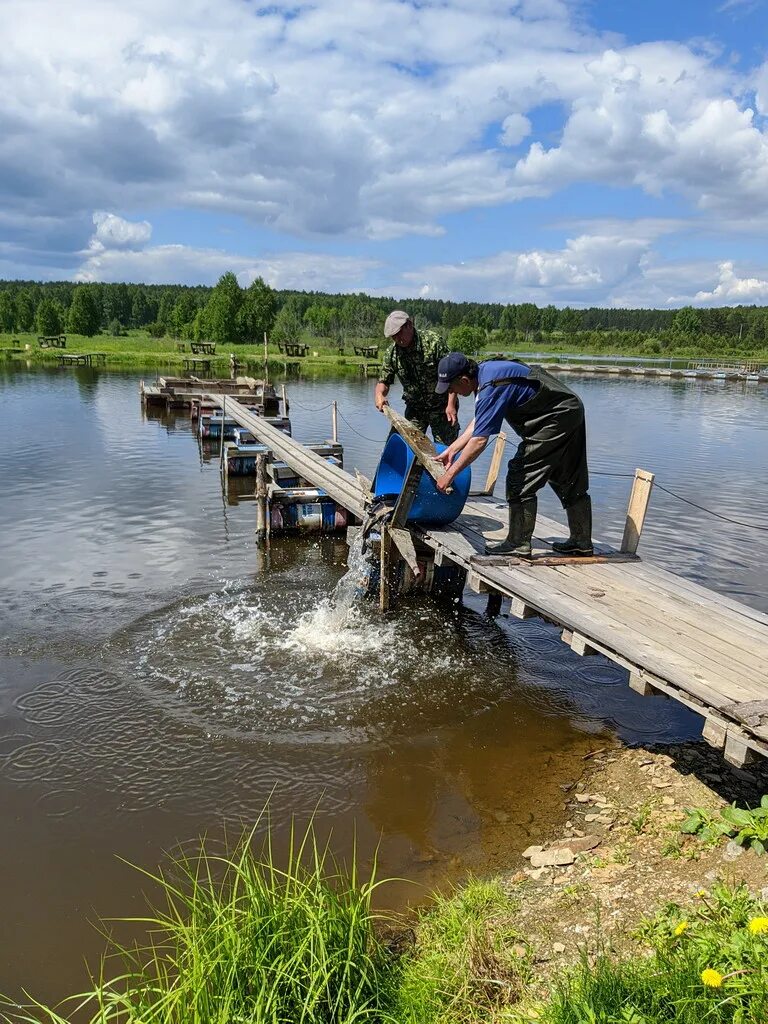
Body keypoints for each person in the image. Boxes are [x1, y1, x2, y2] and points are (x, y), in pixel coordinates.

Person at [433, 353, 593, 558]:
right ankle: (581, 541)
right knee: (567, 476)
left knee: (521, 474)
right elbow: (481, 421)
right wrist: (452, 449)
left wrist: (450, 474)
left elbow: (480, 441)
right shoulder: (485, 373)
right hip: (569, 409)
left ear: (464, 380)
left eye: (452, 387)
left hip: (555, 418)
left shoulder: (491, 385)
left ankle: (518, 542)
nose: (451, 392)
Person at [374, 311, 459, 445]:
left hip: (442, 408)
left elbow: (453, 376)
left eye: (399, 334)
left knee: (445, 452)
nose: (397, 339)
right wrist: (379, 394)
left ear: (409, 325)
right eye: (393, 337)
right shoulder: (392, 353)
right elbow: (384, 380)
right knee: (403, 447)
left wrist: (451, 404)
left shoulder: (433, 342)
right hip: (415, 410)